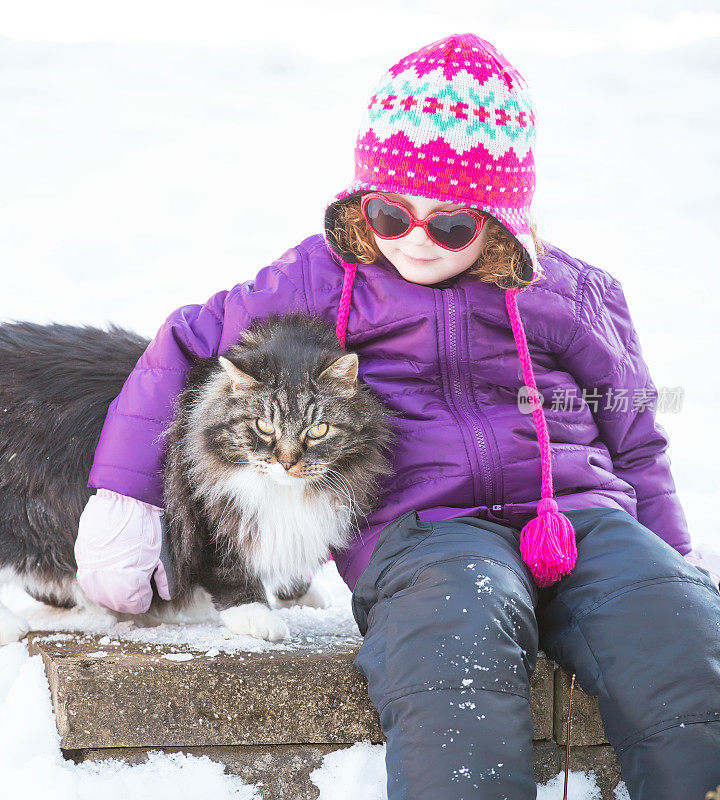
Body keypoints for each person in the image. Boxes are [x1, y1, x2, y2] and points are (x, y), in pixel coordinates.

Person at [75, 33, 720, 798]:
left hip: (579, 517)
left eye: (449, 224)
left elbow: (635, 433)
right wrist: (124, 497)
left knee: (673, 633)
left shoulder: (569, 292)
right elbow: (186, 342)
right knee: (451, 653)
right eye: (388, 213)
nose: (414, 240)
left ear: (501, 217)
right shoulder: (326, 274)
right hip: (424, 533)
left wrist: (671, 558)